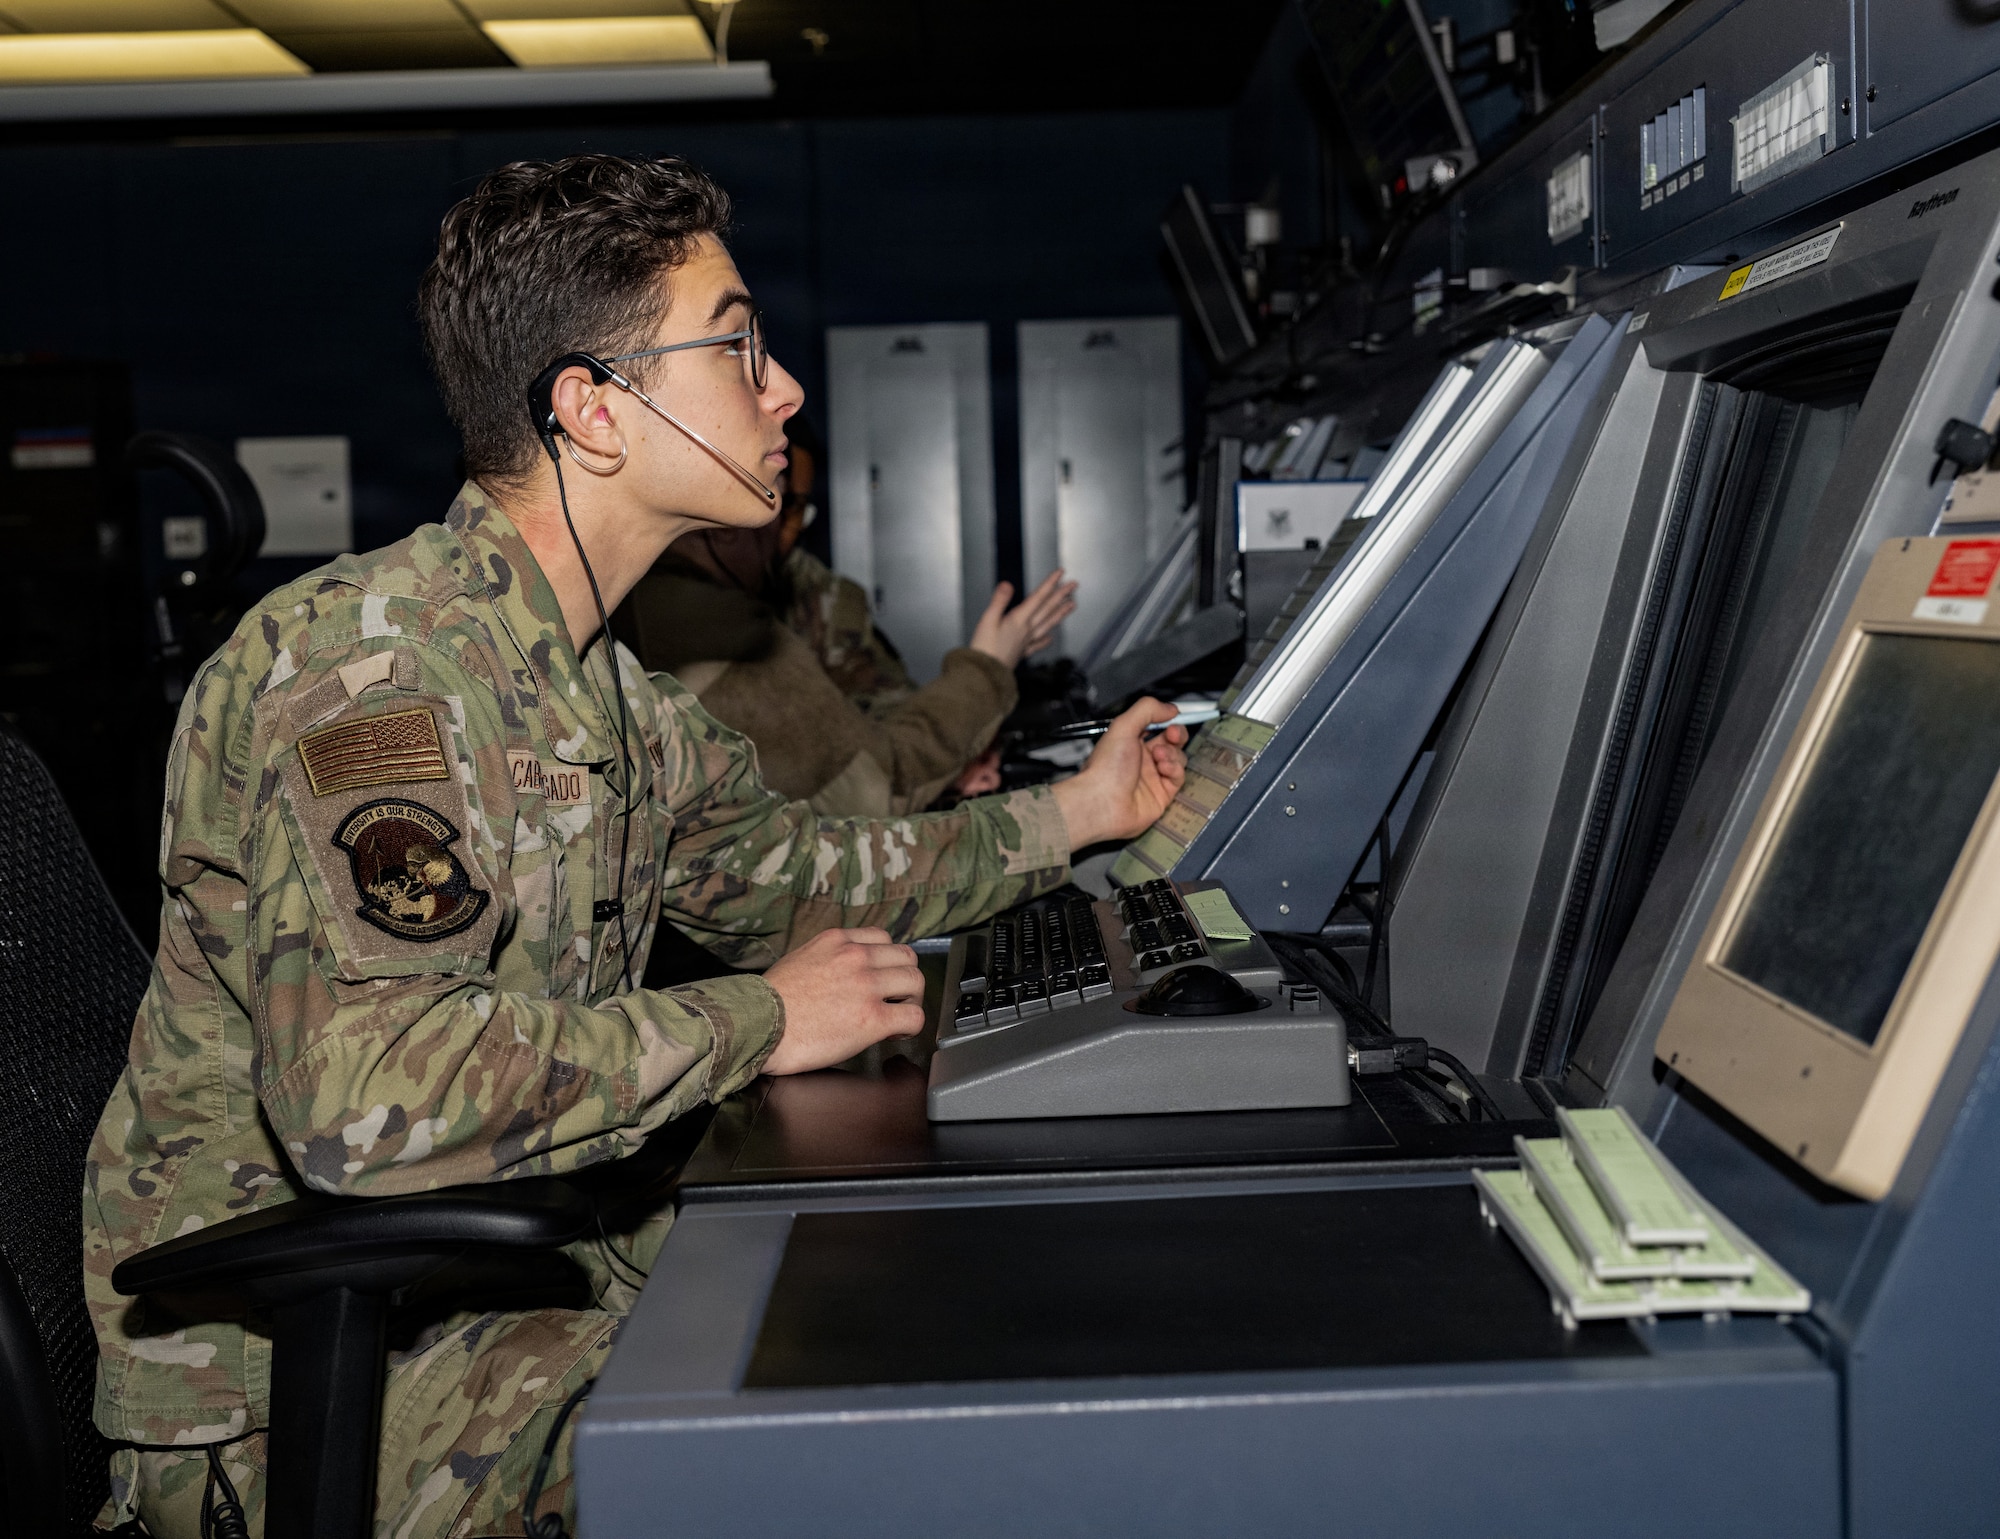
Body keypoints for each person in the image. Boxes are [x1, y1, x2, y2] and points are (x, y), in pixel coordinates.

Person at [81, 154, 1186, 1539]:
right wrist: (757, 1020)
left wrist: (1080, 813)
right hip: (310, 1375)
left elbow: (803, 871)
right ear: (593, 413)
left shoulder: (599, 686)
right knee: (853, 1450)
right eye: (736, 345)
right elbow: (367, 1101)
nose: (781, 390)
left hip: (519, 1268)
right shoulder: (376, 676)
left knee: (926, 1326)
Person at [617, 432, 1076, 814]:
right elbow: (876, 782)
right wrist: (988, 667)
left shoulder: (661, 597)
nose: (782, 530)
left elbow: (875, 704)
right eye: (774, 503)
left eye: (794, 510)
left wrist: (959, 753)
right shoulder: (705, 625)